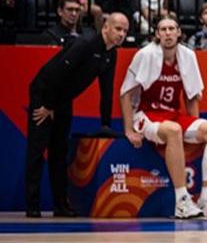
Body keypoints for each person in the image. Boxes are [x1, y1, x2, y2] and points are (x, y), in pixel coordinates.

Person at [120, 17, 207, 219]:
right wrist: (129, 130)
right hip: (146, 115)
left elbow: (191, 95)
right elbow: (126, 93)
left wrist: (195, 133)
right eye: (163, 29)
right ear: (157, 34)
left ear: (179, 32)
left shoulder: (187, 56)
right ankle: (182, 200)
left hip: (173, 114)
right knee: (173, 130)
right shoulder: (145, 55)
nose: (168, 33)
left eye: (172, 28)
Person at [25, 13, 129, 218]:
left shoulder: (111, 53)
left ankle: (60, 204)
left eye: (125, 31)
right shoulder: (86, 44)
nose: (122, 34)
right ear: (105, 27)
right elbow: (56, 73)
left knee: (60, 151)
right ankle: (32, 204)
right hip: (45, 93)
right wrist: (48, 106)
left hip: (62, 99)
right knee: (38, 148)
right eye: (118, 29)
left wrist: (106, 124)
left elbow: (106, 90)